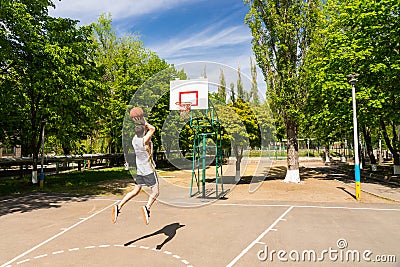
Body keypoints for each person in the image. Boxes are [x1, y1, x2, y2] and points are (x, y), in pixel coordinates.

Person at [112, 114, 159, 225]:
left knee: (135, 191)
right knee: (155, 192)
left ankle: (119, 206)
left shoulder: (134, 140)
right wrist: (145, 123)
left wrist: (142, 121)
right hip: (148, 170)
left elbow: (145, 129)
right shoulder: (144, 141)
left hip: (140, 170)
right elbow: (153, 129)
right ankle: (147, 208)